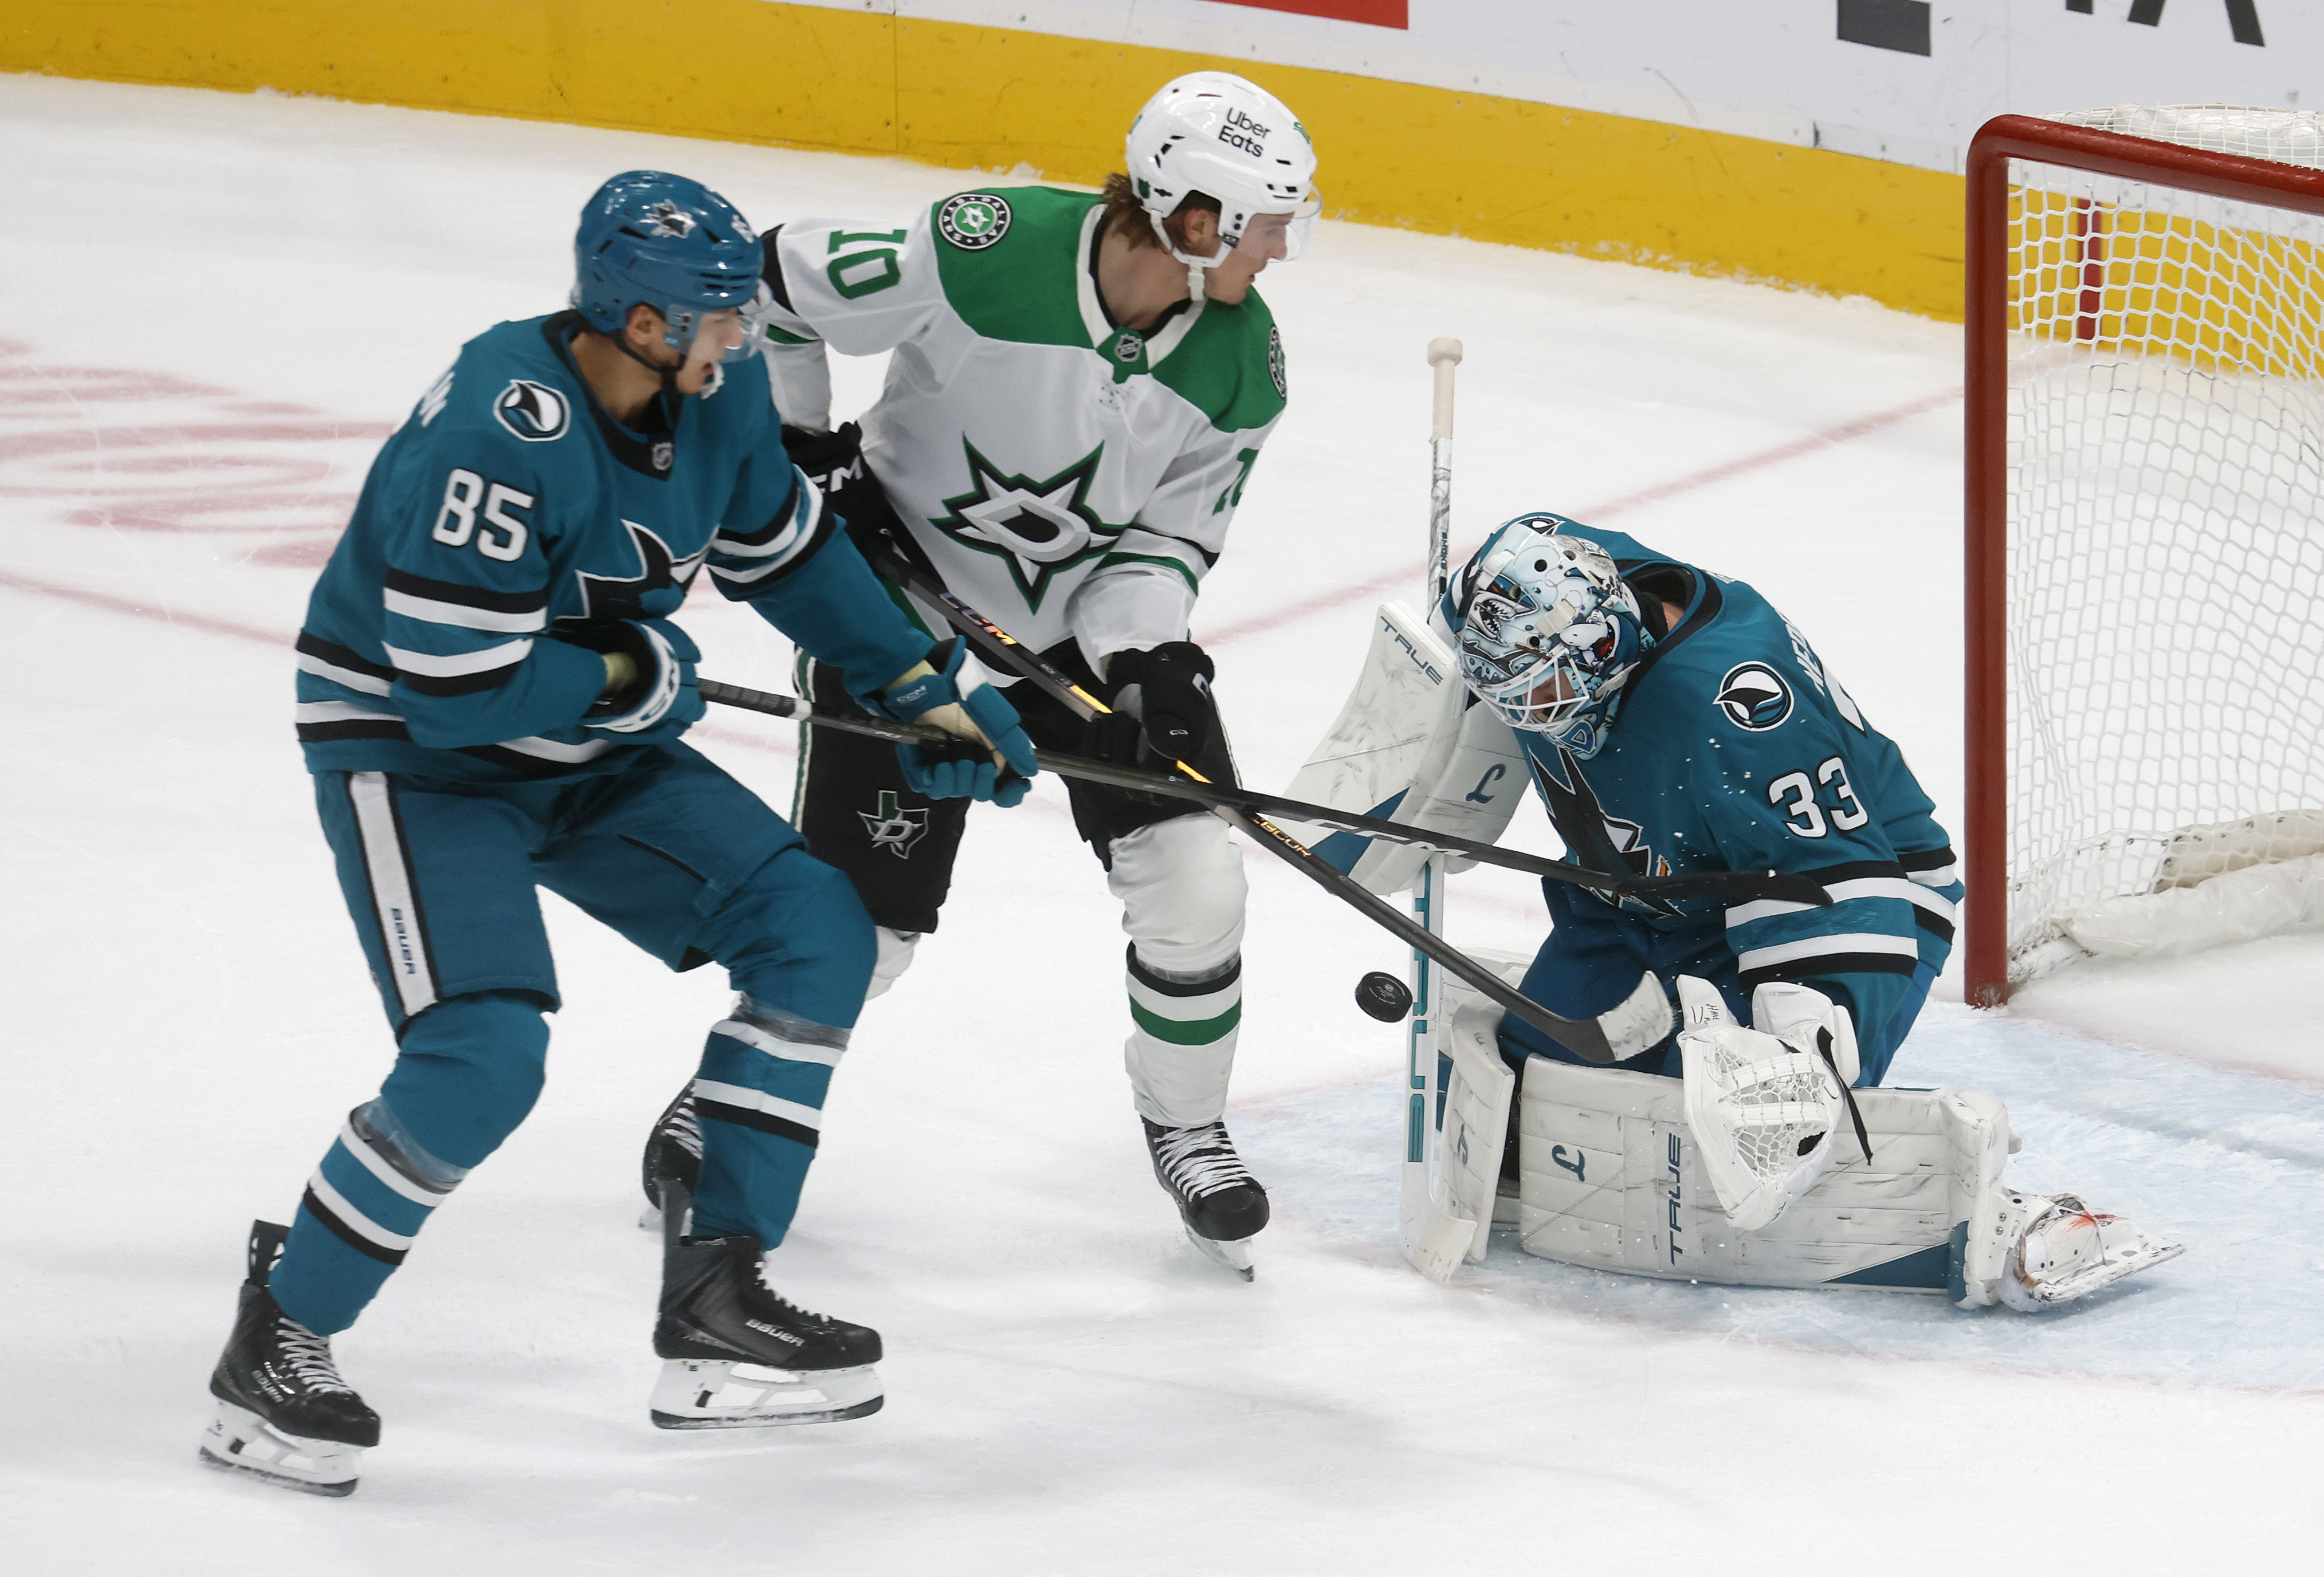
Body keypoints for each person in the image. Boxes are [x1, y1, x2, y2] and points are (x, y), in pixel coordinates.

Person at [198, 170, 1038, 1497]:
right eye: (717, 323)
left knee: (814, 928)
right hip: (419, 759)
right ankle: (284, 1331)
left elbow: (790, 552)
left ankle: (716, 1294)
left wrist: (919, 687)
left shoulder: (719, 397)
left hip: (587, 749)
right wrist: (620, 682)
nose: (742, 341)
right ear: (642, 327)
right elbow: (451, 684)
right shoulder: (499, 423)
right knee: (483, 1056)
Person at [639, 72, 1321, 1275]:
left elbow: (1165, 540)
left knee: (1198, 882)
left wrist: (1147, 658)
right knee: (866, 929)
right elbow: (773, 278)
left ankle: (1188, 1123)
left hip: (1080, 637)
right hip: (893, 615)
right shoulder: (981, 250)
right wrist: (800, 447)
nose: (1280, 246)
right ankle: (728, 1101)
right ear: (1194, 217)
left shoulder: (1245, 362)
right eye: (1265, 220)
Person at [1432, 512, 2178, 1307]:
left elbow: (1830, 880)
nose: (1530, 715)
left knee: (1757, 1127)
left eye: (1544, 693)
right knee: (1536, 1101)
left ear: (1607, 643)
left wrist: (1803, 1039)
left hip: (1849, 886)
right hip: (1652, 889)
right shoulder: (1548, 586)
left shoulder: (1731, 711)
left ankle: (2006, 1217)